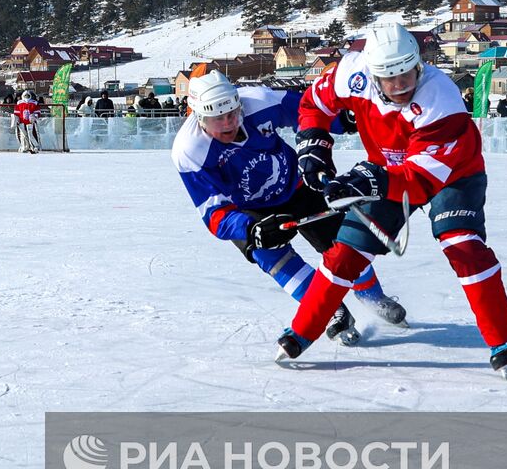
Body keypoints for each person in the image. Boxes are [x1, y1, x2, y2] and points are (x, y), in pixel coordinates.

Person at [282, 22, 507, 382]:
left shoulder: (441, 102)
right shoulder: (350, 73)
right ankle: (302, 331)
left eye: (407, 74)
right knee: (346, 252)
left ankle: (504, 343)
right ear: (371, 74)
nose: (401, 85)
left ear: (418, 64)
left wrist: (369, 180)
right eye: (389, 78)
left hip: (451, 172)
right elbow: (313, 106)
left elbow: (419, 181)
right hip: (387, 170)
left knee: (463, 245)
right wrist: (314, 145)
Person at [173, 71, 406, 350]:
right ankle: (332, 311)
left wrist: (342, 120)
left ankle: (373, 297)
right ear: (198, 117)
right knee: (269, 255)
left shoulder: (258, 101)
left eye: (233, 114)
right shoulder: (189, 151)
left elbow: (307, 111)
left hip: (296, 187)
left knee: (342, 245)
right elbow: (212, 211)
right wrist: (249, 229)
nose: (228, 124)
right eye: (217, 119)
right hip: (250, 211)